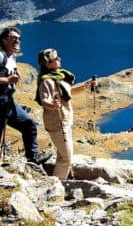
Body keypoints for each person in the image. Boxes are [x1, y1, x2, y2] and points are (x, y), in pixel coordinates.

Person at [35, 48, 96, 180]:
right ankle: (56, 187)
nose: (59, 59)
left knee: (62, 156)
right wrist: (53, 105)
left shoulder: (60, 76)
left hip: (66, 121)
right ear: (48, 63)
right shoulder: (47, 81)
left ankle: (58, 185)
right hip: (57, 124)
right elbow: (44, 100)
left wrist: (87, 85)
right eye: (56, 58)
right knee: (66, 159)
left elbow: (70, 91)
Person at [0, 27, 50, 164]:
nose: (17, 40)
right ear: (4, 40)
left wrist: (13, 77)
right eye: (13, 38)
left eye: (18, 38)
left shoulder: (11, 56)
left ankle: (32, 158)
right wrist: (7, 80)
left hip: (8, 101)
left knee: (28, 123)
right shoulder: (0, 55)